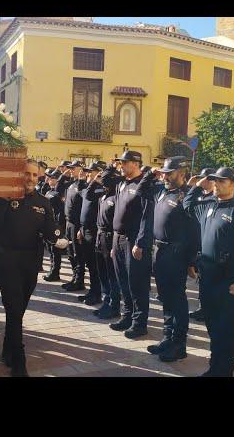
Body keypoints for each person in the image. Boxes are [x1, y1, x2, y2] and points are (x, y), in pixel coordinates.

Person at [0, 159, 68, 377]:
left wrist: (58, 239)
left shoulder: (43, 202)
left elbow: (50, 228)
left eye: (34, 175)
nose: (31, 178)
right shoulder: (4, 197)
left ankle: (7, 348)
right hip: (7, 262)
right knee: (14, 309)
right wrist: (5, 201)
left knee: (18, 311)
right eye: (27, 174)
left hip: (31, 264)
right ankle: (19, 361)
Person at [183, 167, 234, 376]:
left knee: (227, 330)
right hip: (208, 276)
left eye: (222, 181)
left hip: (227, 279)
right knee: (212, 326)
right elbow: (187, 205)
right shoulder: (209, 206)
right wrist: (196, 185)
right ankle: (215, 367)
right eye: (214, 181)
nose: (216, 184)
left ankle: (224, 370)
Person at [140, 157, 200, 362]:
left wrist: (192, 260)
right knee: (165, 297)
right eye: (164, 172)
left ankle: (179, 344)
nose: (165, 176)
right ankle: (167, 337)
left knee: (177, 300)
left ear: (182, 174)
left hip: (176, 254)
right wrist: (150, 174)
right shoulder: (161, 191)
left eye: (170, 172)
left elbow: (194, 232)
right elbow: (140, 191)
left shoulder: (187, 196)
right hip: (159, 251)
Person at [109, 150, 154, 339]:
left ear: (136, 164)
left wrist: (141, 242)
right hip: (118, 238)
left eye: (125, 163)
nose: (121, 165)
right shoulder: (121, 184)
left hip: (133, 240)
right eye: (120, 163)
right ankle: (127, 317)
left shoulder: (144, 185)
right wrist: (113, 242)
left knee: (137, 283)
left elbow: (147, 216)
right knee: (123, 281)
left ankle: (139, 323)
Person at [92, 168, 122, 319]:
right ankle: (106, 302)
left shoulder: (117, 197)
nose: (102, 181)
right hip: (100, 236)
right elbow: (89, 195)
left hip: (110, 239)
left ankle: (114, 306)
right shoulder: (103, 196)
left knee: (112, 276)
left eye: (105, 178)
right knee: (102, 273)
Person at [187, 167, 216, 323]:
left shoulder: (214, 198)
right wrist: (193, 187)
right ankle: (203, 307)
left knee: (210, 281)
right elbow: (186, 204)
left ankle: (208, 309)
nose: (202, 181)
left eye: (205, 179)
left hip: (210, 245)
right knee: (202, 280)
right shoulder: (199, 195)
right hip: (198, 243)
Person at [76, 161, 107, 305]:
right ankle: (92, 291)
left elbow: (88, 195)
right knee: (89, 264)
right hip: (85, 229)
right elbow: (83, 200)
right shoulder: (91, 186)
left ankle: (97, 294)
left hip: (94, 231)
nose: (88, 174)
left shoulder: (101, 188)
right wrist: (81, 228)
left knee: (95, 266)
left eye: (92, 171)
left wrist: (95, 181)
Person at [60, 160, 88, 291]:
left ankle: (79, 280)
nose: (70, 170)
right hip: (68, 223)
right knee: (70, 252)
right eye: (70, 168)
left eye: (73, 168)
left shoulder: (84, 186)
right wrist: (63, 175)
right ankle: (74, 277)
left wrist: (82, 228)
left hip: (77, 224)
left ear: (81, 169)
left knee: (78, 253)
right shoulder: (71, 184)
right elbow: (58, 188)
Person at [42, 169, 66, 282]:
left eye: (52, 178)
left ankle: (55, 272)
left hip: (55, 224)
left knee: (55, 250)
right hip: (48, 223)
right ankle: (52, 269)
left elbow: (61, 211)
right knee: (50, 249)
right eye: (49, 177)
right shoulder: (49, 191)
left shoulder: (58, 193)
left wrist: (58, 226)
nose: (49, 179)